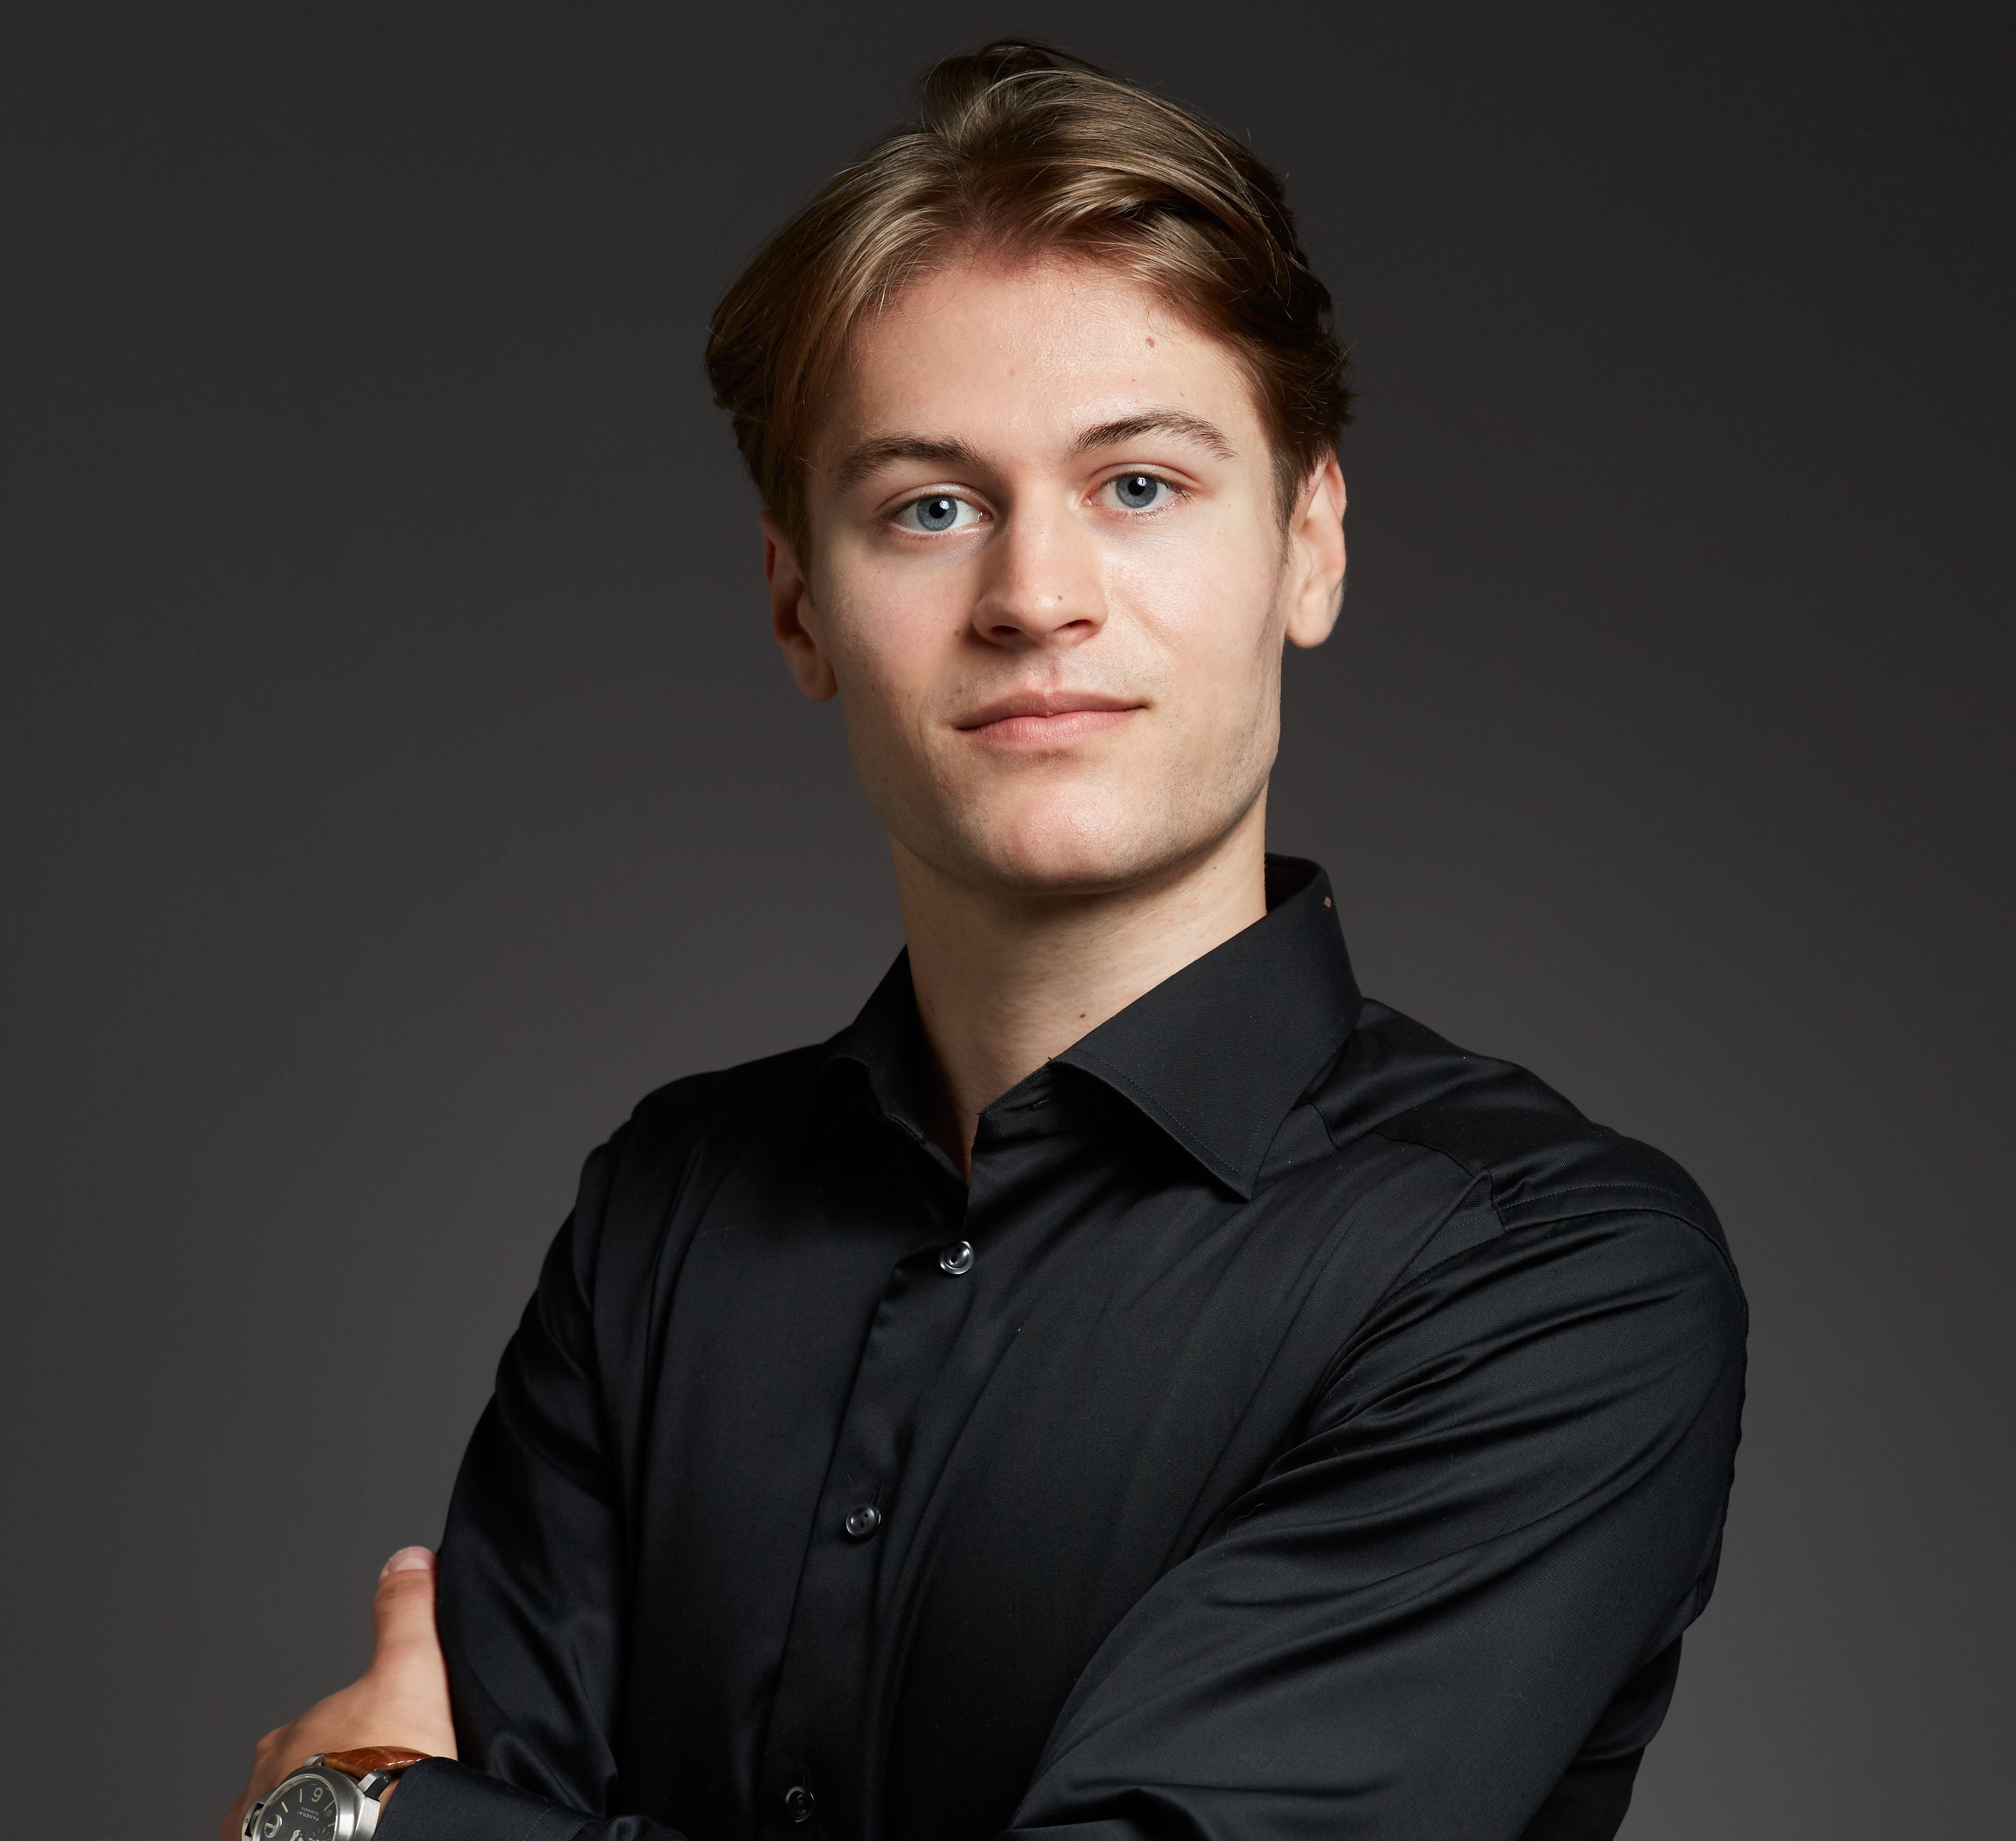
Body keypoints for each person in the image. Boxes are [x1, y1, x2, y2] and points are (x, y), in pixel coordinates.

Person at [229, 40, 1746, 1841]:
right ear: (800, 603)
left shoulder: (1545, 1276)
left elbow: (421, 1809)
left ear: (1309, 543)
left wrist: (359, 1824)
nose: (1034, 597)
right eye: (929, 506)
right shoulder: (666, 1211)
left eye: (1140, 486)